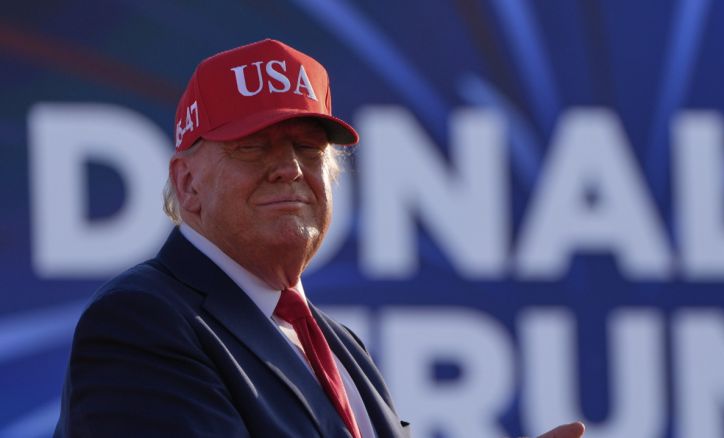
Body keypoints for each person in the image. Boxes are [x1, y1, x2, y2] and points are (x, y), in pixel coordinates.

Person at [54, 39, 585, 438]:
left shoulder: (340, 345)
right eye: (252, 146)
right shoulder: (140, 320)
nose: (288, 168)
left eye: (308, 148)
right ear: (187, 183)